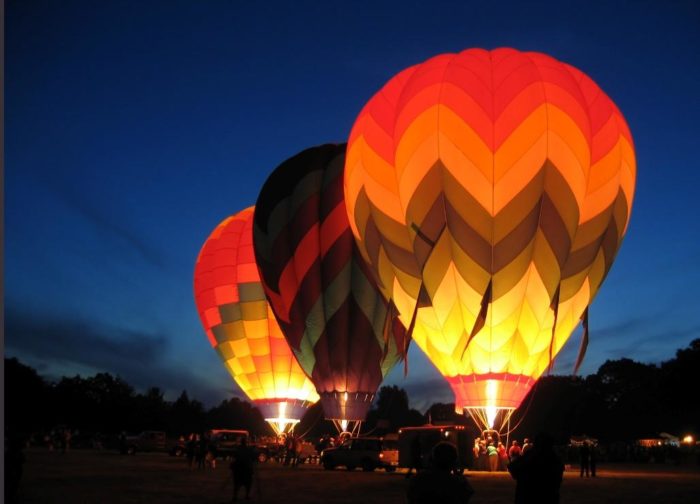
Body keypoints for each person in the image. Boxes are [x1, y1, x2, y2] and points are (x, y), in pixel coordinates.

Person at [407, 442, 474, 504]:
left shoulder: (418, 479)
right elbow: (467, 495)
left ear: (432, 459)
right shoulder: (457, 483)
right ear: (454, 462)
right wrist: (457, 474)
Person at [508, 432, 564, 504]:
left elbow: (512, 467)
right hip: (549, 497)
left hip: (527, 496)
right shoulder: (555, 458)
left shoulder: (530, 455)